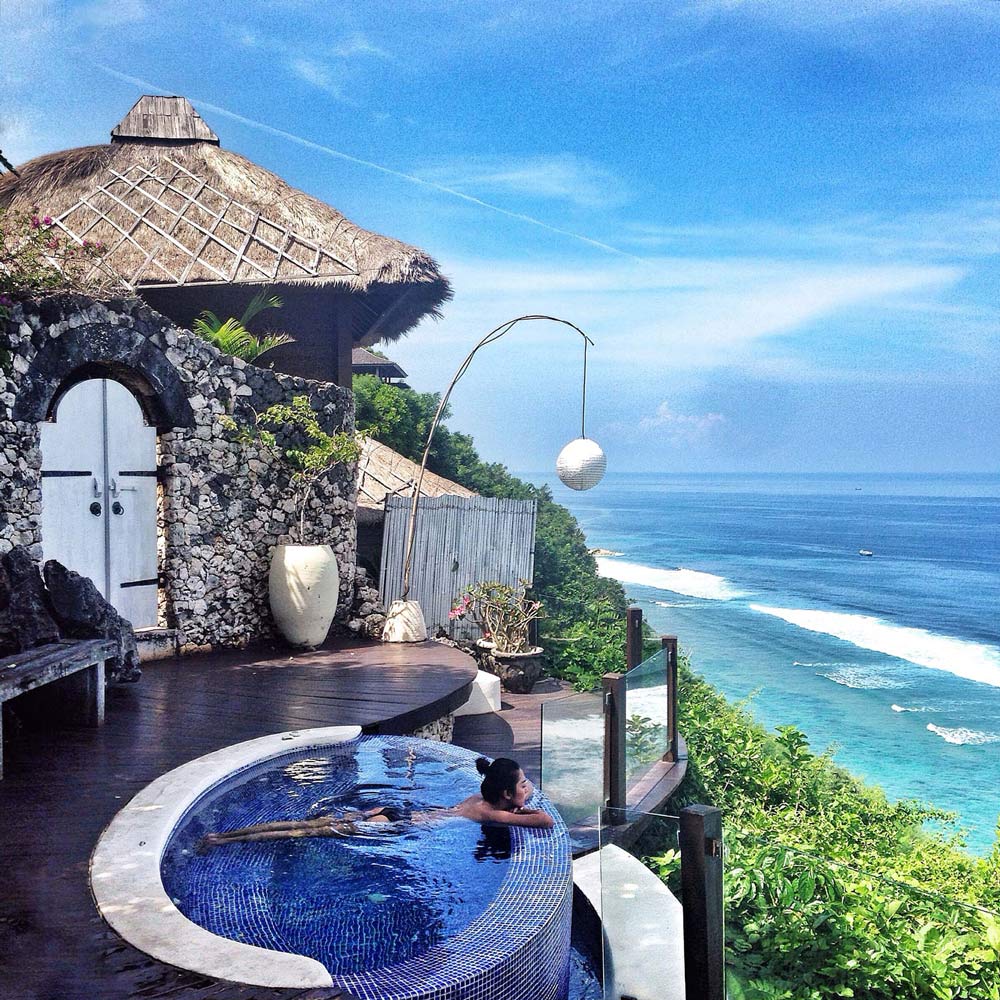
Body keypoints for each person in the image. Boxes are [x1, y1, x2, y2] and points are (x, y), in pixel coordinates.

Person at [200, 756, 553, 848]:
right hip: (394, 825)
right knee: (304, 833)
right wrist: (524, 808)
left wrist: (518, 801)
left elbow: (524, 799)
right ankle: (221, 841)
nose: (528, 787)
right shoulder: (490, 813)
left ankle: (223, 836)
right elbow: (546, 821)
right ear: (507, 794)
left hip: (394, 811)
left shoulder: (480, 797)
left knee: (305, 826)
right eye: (522, 784)